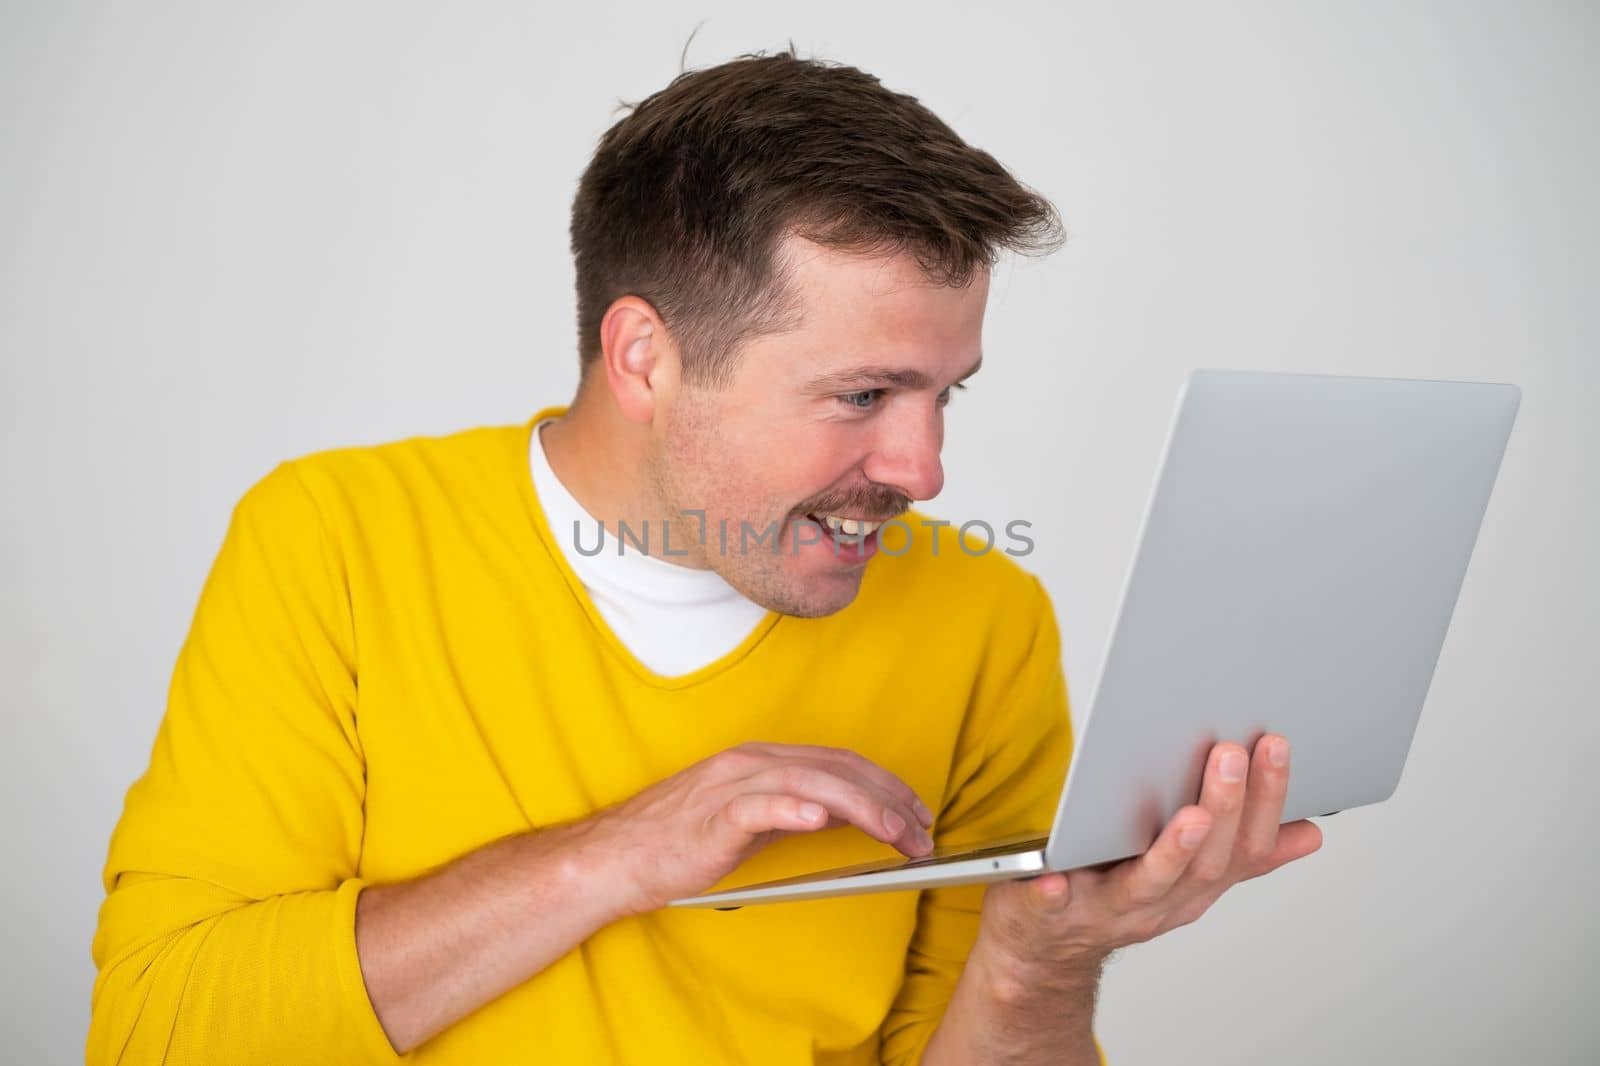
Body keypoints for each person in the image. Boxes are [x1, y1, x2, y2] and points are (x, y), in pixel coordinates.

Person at [87, 48, 1321, 1065]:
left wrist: (1037, 960)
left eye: (947, 394)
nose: (924, 468)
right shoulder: (336, 537)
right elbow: (155, 1033)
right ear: (644, 359)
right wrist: (615, 857)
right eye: (862, 394)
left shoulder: (984, 619)